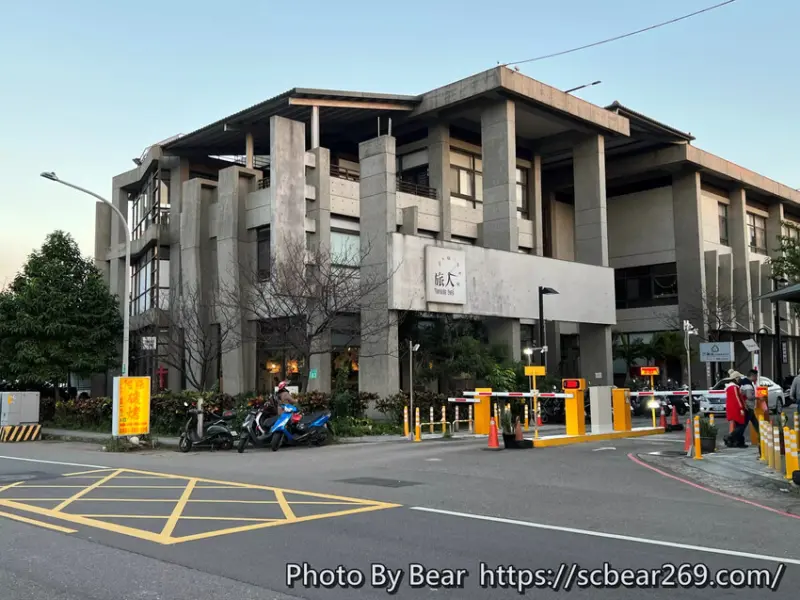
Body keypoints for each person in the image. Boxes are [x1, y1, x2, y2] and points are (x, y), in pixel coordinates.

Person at [723, 379, 747, 448]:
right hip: (736, 408)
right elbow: (737, 398)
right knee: (741, 425)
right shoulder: (734, 388)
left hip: (731, 408)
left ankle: (737, 442)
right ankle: (730, 437)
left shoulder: (729, 388)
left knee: (738, 425)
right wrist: (741, 408)